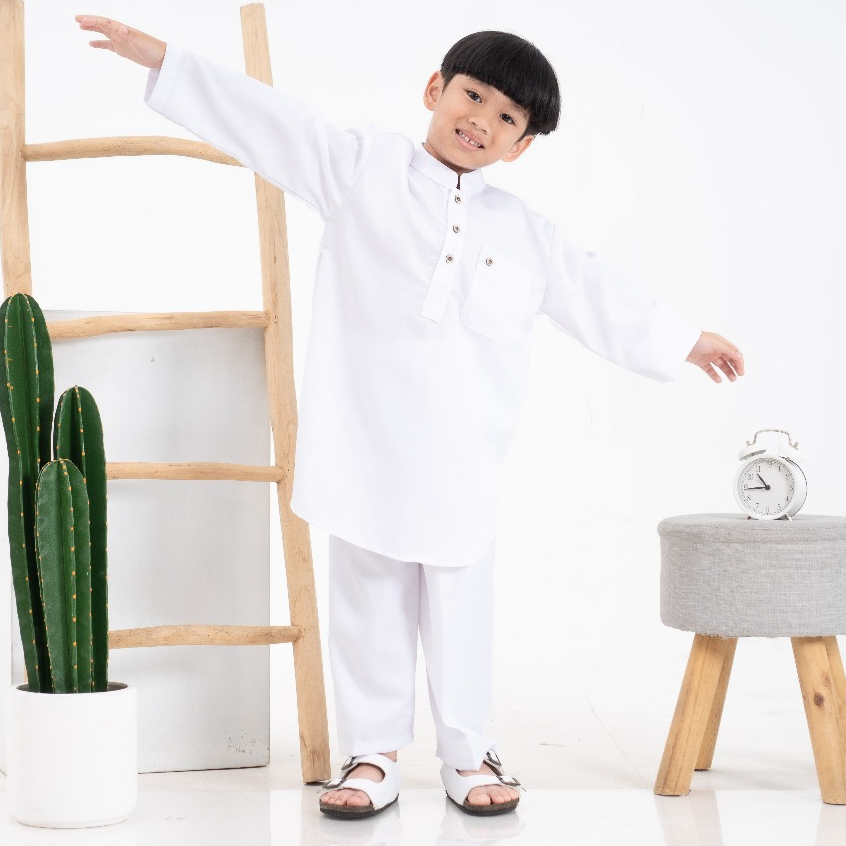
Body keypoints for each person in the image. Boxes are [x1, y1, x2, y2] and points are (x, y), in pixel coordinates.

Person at [74, 14, 744, 820]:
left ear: (521, 146)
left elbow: (594, 290)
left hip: (461, 454)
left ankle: (466, 751)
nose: (482, 120)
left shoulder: (524, 233)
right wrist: (167, 61)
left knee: (461, 602)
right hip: (364, 441)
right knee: (368, 597)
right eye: (473, 96)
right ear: (435, 89)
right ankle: (373, 754)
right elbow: (275, 123)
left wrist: (682, 340)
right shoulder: (363, 168)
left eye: (507, 117)